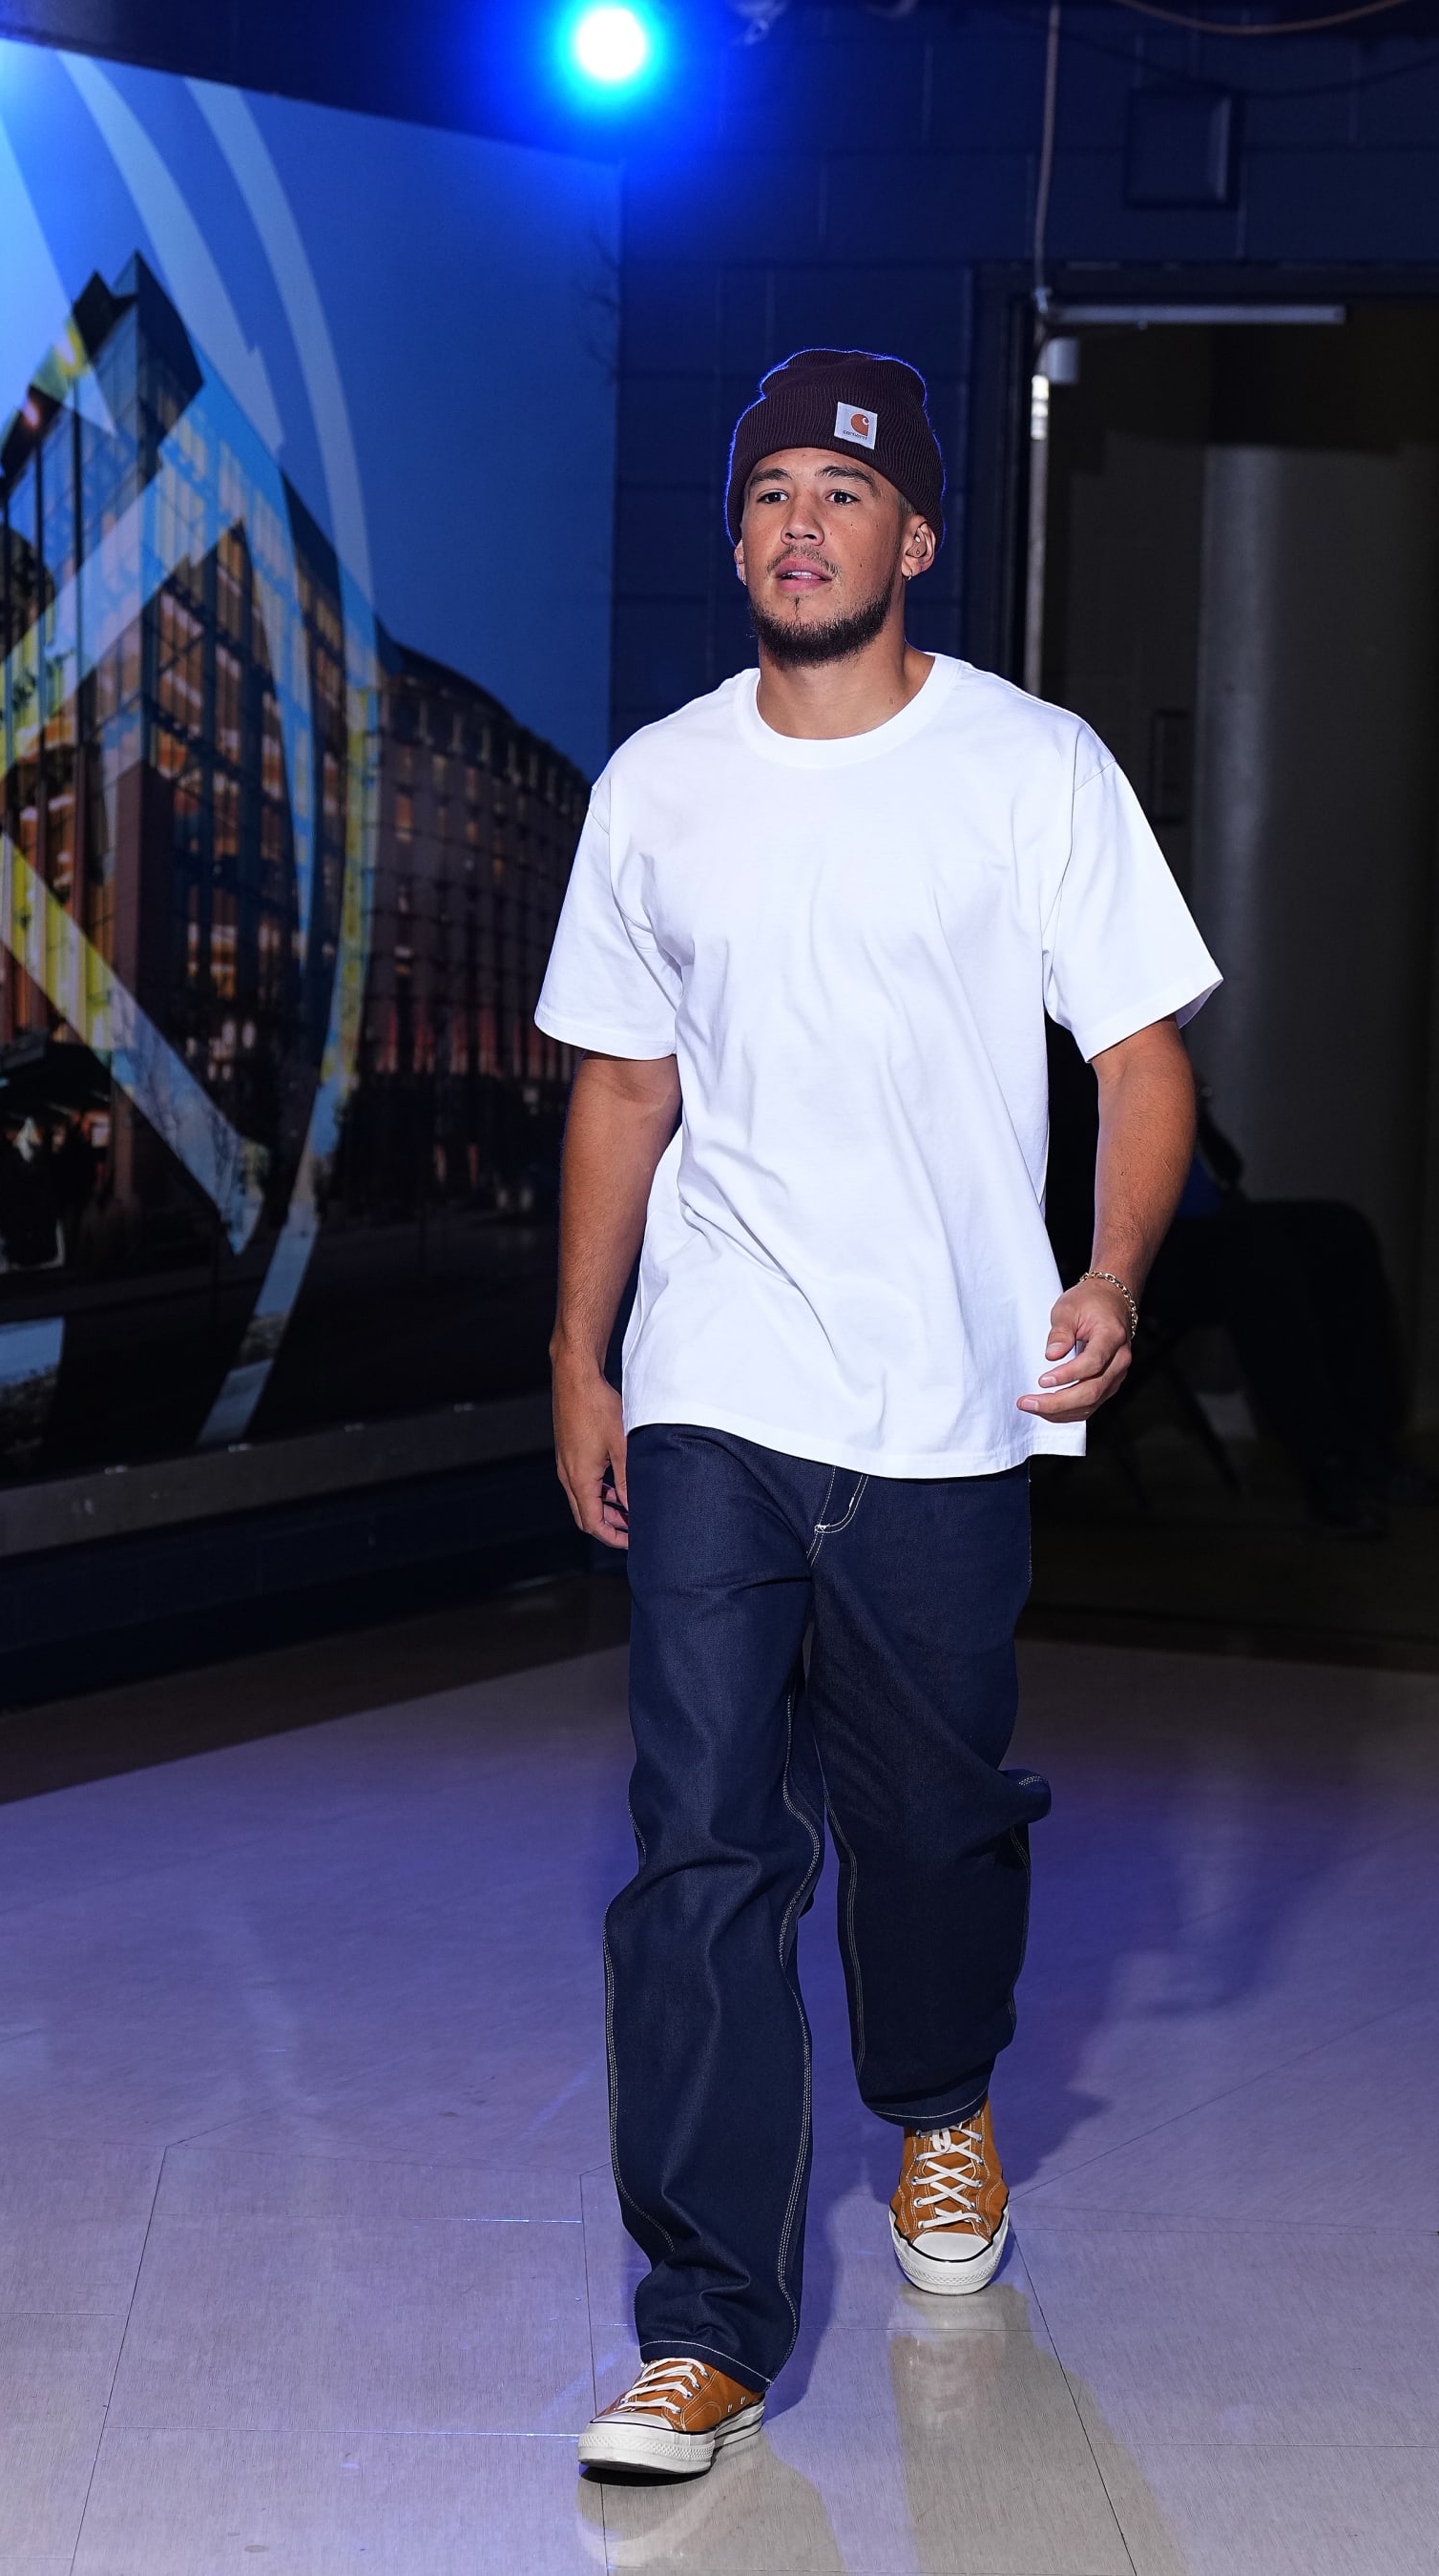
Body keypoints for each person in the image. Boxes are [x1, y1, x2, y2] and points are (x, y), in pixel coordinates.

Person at [534, 347, 1219, 2480]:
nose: (800, 528)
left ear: (916, 537)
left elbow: (1141, 1054)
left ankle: (943, 2110)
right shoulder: (657, 782)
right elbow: (627, 1084)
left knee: (930, 1826)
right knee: (705, 1845)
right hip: (724, 1379)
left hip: (948, 1393)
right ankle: (708, 2329)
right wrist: (586, 1349)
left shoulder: (1031, 767)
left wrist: (1105, 1276)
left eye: (844, 494)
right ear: (732, 536)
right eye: (767, 497)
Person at [1147, 1097, 1439, 1536]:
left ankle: (1371, 1449)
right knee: (1259, 1259)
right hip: (1131, 1253)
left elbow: (1227, 1165)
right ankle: (1325, 1465)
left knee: (1342, 1231)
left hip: (1205, 1220)